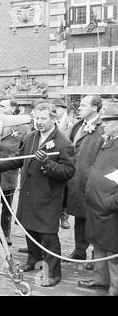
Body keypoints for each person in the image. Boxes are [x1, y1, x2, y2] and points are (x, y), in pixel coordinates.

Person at [0, 102, 75, 287]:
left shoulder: (63, 143)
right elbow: (19, 157)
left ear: (53, 119)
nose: (39, 122)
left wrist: (48, 163)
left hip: (48, 197)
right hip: (28, 193)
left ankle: (53, 273)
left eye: (43, 118)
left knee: (48, 236)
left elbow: (69, 172)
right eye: (36, 118)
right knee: (30, 230)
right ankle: (32, 260)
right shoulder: (31, 136)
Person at [79, 102, 118, 296]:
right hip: (99, 207)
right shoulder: (110, 140)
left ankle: (114, 288)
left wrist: (111, 202)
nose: (103, 124)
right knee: (100, 244)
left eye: (108, 121)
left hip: (110, 208)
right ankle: (101, 280)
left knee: (113, 251)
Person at [67, 95, 104, 271]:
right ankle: (79, 250)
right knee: (79, 216)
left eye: (83, 105)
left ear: (95, 108)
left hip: (92, 182)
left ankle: (95, 255)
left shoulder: (103, 127)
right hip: (76, 180)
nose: (79, 108)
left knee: (94, 219)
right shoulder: (77, 125)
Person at [0, 98, 31, 246]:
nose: (0, 108)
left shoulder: (23, 128)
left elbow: (24, 152)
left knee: (7, 205)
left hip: (9, 171)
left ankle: (5, 234)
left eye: (3, 106)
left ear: (12, 109)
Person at [54, 98, 76, 230]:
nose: (55, 111)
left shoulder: (73, 123)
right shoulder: (51, 122)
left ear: (64, 109)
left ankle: (64, 216)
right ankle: (55, 215)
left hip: (67, 160)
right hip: (52, 161)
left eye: (57, 109)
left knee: (66, 190)